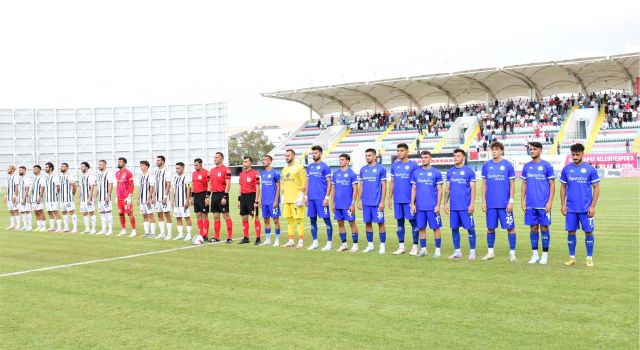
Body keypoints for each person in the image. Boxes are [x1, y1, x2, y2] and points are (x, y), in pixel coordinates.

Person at [560, 143, 600, 267]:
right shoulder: (566, 169)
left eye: (577, 154)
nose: (575, 156)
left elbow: (596, 188)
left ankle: (589, 258)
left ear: (583, 153)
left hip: (586, 208)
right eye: (573, 154)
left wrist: (592, 206)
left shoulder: (590, 169)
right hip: (571, 208)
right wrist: (563, 205)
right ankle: (572, 258)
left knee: (589, 232)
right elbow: (563, 187)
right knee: (571, 232)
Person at [481, 141, 517, 262]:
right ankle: (490, 253)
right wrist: (484, 201)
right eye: (493, 149)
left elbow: (512, 184)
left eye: (496, 149)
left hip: (504, 204)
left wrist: (511, 201)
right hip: (491, 203)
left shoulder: (508, 165)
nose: (494, 151)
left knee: (510, 227)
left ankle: (512, 253)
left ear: (502, 150)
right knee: (490, 228)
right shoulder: (486, 165)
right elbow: (484, 184)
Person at [520, 142, 555, 265]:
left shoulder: (547, 166)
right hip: (530, 204)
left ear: (540, 150)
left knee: (544, 228)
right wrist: (522, 200)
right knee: (533, 228)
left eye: (535, 149)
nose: (532, 151)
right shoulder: (526, 166)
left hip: (543, 204)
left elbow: (552, 184)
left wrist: (550, 202)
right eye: (530, 149)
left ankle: (545, 255)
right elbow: (524, 184)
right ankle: (535, 255)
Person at [443, 149, 476, 259]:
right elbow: (447, 188)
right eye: (454, 156)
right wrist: (445, 203)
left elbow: (473, 189)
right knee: (454, 228)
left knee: (470, 229)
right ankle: (457, 252)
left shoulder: (469, 171)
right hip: (454, 207)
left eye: (458, 156)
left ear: (463, 158)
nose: (455, 157)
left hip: (465, 206)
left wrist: (472, 204)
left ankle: (472, 252)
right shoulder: (450, 172)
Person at [388, 143, 420, 255]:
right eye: (398, 151)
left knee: (413, 222)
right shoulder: (394, 166)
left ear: (407, 151)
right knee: (399, 222)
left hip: (409, 200)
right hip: (398, 199)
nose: (399, 153)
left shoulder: (414, 165)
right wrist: (389, 198)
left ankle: (415, 246)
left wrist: (414, 201)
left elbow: (417, 184)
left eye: (402, 150)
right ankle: (401, 246)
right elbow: (392, 182)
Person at [410, 151, 443, 257]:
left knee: (436, 228)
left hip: (432, 207)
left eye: (426, 157)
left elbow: (440, 190)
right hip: (420, 207)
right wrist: (412, 204)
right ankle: (423, 249)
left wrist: (438, 205)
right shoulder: (416, 173)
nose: (423, 159)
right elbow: (414, 189)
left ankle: (437, 250)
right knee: (421, 228)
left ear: (430, 158)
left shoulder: (436, 173)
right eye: (422, 157)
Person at [357, 148, 387, 254]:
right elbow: (361, 185)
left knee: (380, 223)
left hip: (377, 202)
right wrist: (359, 200)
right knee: (368, 223)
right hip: (366, 202)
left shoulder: (381, 168)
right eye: (366, 155)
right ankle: (370, 245)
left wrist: (382, 201)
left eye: (369, 155)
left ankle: (382, 246)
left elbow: (384, 186)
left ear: (375, 156)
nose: (367, 157)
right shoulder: (363, 169)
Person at [305, 145, 333, 251]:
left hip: (321, 198)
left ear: (320, 153)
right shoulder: (309, 167)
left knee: (326, 220)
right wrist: (306, 196)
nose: (314, 155)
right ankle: (315, 242)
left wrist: (326, 197)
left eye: (316, 153)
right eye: (312, 153)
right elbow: (307, 182)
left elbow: (329, 183)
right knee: (312, 220)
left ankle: (329, 243)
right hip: (311, 198)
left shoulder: (325, 167)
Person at [331, 153, 359, 252]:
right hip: (338, 204)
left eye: (342, 159)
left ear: (347, 161)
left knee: (352, 223)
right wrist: (332, 202)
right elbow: (333, 189)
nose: (340, 161)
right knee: (340, 223)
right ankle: (344, 244)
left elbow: (355, 189)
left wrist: (353, 203)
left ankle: (355, 245)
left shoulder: (352, 174)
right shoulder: (335, 174)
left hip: (347, 204)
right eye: (340, 160)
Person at [281, 149, 306, 248]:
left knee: (299, 220)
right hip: (287, 199)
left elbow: (304, 182)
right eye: (286, 155)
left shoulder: (299, 168)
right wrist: (283, 198)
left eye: (289, 155)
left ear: (293, 156)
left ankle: (300, 242)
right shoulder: (284, 169)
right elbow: (284, 184)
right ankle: (291, 241)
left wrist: (302, 196)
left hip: (296, 199)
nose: (287, 157)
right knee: (289, 221)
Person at [207, 152, 233, 243]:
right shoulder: (212, 170)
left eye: (217, 157)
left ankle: (229, 237)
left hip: (222, 194)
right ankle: (216, 237)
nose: (215, 159)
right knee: (215, 216)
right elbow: (210, 184)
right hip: (214, 195)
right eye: (214, 157)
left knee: (226, 216)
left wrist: (225, 197)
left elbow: (228, 184)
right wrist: (207, 196)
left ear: (221, 159)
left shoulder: (226, 170)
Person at [237, 156, 261, 245]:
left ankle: (258, 238)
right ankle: (245, 237)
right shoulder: (241, 174)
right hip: (243, 197)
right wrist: (239, 200)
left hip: (251, 197)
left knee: (255, 218)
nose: (244, 163)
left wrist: (256, 201)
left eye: (246, 161)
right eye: (243, 161)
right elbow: (240, 187)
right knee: (244, 217)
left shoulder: (255, 174)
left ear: (250, 163)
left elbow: (258, 188)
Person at [259, 155, 281, 246]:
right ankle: (268, 239)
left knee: (275, 220)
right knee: (266, 220)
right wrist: (260, 200)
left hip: (272, 202)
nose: (264, 161)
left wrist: (276, 201)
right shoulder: (262, 173)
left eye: (265, 160)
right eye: (263, 160)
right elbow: (262, 186)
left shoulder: (275, 173)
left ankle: (277, 239)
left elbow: (279, 187)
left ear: (270, 161)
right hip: (264, 202)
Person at [171, 162, 193, 241]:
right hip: (177, 202)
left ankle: (189, 235)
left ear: (183, 168)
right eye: (176, 168)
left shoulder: (187, 177)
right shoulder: (175, 178)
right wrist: (172, 200)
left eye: (178, 168)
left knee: (187, 217)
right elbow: (173, 190)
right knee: (178, 218)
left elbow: (189, 189)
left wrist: (187, 201)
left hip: (183, 202)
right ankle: (180, 234)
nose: (177, 170)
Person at [115, 157, 136, 237]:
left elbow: (131, 184)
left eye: (120, 162)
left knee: (130, 213)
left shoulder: (128, 173)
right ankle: (123, 230)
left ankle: (134, 230)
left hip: (126, 197)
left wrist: (130, 196)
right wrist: (117, 195)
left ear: (124, 163)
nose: (118, 163)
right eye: (118, 161)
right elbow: (118, 185)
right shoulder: (117, 173)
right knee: (120, 213)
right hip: (119, 197)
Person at [153, 155, 173, 240]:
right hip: (157, 198)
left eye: (158, 160)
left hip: (164, 198)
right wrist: (153, 196)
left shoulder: (167, 171)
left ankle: (169, 234)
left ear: (163, 161)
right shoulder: (156, 172)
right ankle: (162, 233)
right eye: (156, 160)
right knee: (159, 215)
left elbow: (168, 185)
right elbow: (154, 185)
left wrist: (165, 196)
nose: (157, 162)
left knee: (167, 214)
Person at [191, 158, 210, 240]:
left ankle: (205, 234)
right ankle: (201, 233)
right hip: (196, 195)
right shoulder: (194, 173)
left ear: (201, 164)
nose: (195, 167)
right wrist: (192, 196)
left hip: (203, 194)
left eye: (197, 165)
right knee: (198, 215)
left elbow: (209, 184)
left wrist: (207, 196)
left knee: (204, 214)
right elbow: (193, 184)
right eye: (194, 165)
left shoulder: (206, 172)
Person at [96, 160, 115, 235]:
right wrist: (97, 193)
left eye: (100, 164)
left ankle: (110, 230)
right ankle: (103, 230)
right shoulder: (99, 174)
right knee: (102, 213)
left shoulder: (108, 174)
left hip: (106, 197)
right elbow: (98, 185)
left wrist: (108, 195)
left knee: (108, 212)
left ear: (105, 165)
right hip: (100, 198)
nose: (99, 166)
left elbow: (110, 184)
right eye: (99, 164)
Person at [138, 160, 156, 238]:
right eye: (140, 165)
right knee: (144, 215)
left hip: (148, 200)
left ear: (147, 166)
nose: (141, 167)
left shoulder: (150, 176)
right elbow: (140, 188)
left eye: (142, 165)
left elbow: (152, 187)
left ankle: (153, 233)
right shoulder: (141, 176)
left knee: (150, 215)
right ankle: (147, 233)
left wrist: (149, 198)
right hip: (142, 200)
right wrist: (138, 198)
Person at [58, 162, 78, 232]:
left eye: (63, 166)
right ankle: (66, 227)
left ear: (66, 167)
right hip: (62, 198)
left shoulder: (69, 176)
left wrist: (72, 194)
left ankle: (75, 228)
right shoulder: (60, 176)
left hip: (68, 198)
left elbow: (74, 186)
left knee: (71, 212)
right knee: (64, 212)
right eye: (61, 166)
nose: (61, 168)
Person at [79, 162, 97, 234]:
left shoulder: (91, 177)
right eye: (81, 167)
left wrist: (90, 198)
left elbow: (92, 187)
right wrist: (79, 197)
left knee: (91, 213)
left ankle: (93, 229)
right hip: (83, 199)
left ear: (86, 167)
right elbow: (81, 188)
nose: (81, 168)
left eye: (82, 167)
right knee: (84, 213)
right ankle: (87, 229)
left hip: (89, 198)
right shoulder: (82, 177)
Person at [43, 162, 62, 232]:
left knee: (55, 211)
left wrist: (55, 194)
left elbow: (58, 187)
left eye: (47, 167)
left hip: (53, 198)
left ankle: (59, 227)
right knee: (49, 212)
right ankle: (52, 227)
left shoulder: (55, 177)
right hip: (47, 198)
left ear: (51, 168)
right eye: (45, 167)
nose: (45, 169)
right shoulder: (47, 177)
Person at [16, 166, 32, 231]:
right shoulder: (21, 179)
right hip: (20, 198)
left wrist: (23, 198)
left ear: (24, 170)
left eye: (20, 170)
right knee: (22, 212)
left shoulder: (27, 179)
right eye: (19, 170)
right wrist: (17, 197)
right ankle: (25, 225)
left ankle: (30, 226)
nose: (19, 171)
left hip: (25, 198)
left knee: (27, 211)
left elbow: (27, 189)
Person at [31, 165, 47, 232]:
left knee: (40, 211)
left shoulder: (41, 178)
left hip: (38, 198)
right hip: (33, 198)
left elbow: (43, 187)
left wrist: (40, 197)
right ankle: (39, 226)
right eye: (33, 169)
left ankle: (44, 227)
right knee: (36, 212)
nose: (34, 170)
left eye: (35, 169)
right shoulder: (34, 178)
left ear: (39, 170)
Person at [5, 165, 20, 230]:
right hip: (9, 197)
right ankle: (12, 225)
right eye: (7, 169)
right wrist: (6, 195)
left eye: (9, 169)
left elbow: (17, 187)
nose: (7, 170)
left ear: (12, 170)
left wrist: (15, 196)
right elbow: (7, 188)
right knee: (11, 211)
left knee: (16, 210)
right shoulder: (8, 177)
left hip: (13, 197)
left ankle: (18, 225)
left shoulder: (16, 177)